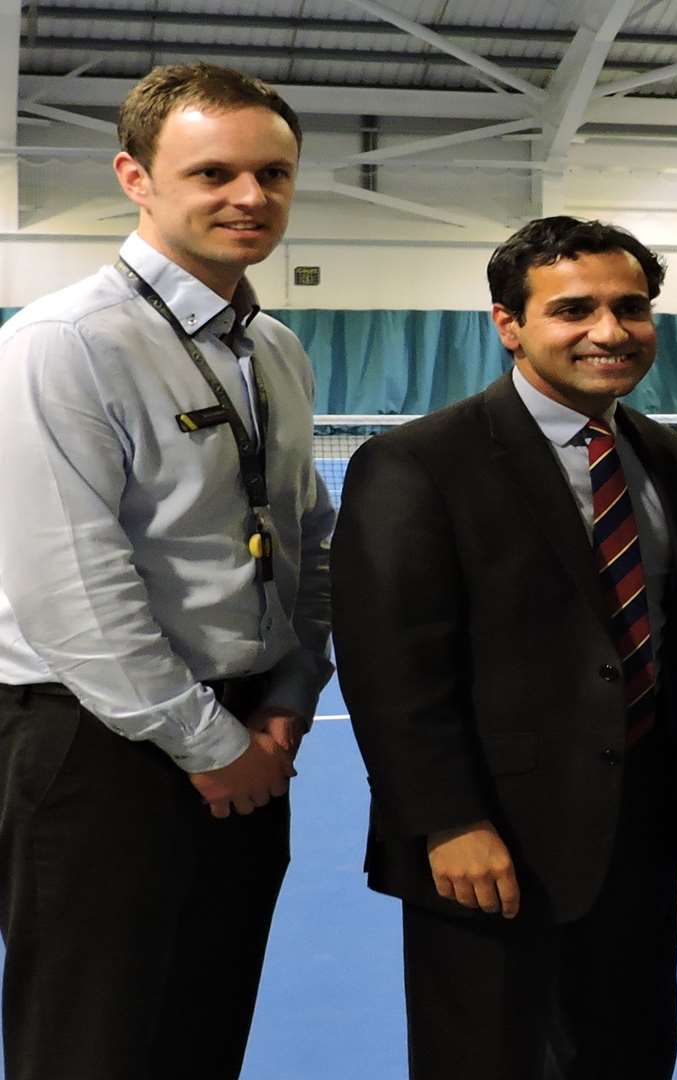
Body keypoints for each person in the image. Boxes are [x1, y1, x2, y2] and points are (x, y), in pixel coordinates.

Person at [0, 63, 331, 1079]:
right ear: (136, 178)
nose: (250, 197)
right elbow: (74, 589)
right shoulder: (65, 344)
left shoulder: (272, 347)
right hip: (98, 743)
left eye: (273, 174)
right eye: (214, 173)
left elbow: (306, 532)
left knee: (202, 1028)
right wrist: (206, 743)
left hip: (245, 737)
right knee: (92, 1045)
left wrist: (286, 693)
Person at [331, 217, 677, 1080]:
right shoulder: (416, 462)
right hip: (488, 838)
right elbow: (389, 666)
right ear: (509, 323)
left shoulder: (655, 450)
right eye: (573, 309)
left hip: (642, 821)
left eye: (631, 308)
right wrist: (446, 821)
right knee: (489, 1059)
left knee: (630, 1047)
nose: (609, 331)